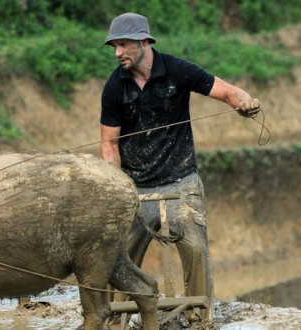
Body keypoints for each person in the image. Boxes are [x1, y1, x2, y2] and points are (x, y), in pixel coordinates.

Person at [99, 13, 261, 322]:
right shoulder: (114, 87)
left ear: (143, 42)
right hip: (136, 186)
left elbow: (226, 91)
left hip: (181, 180)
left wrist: (244, 101)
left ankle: (198, 319)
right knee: (119, 257)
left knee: (195, 248)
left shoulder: (176, 70)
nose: (118, 53)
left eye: (123, 45)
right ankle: (114, 319)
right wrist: (119, 187)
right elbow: (109, 144)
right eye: (114, 47)